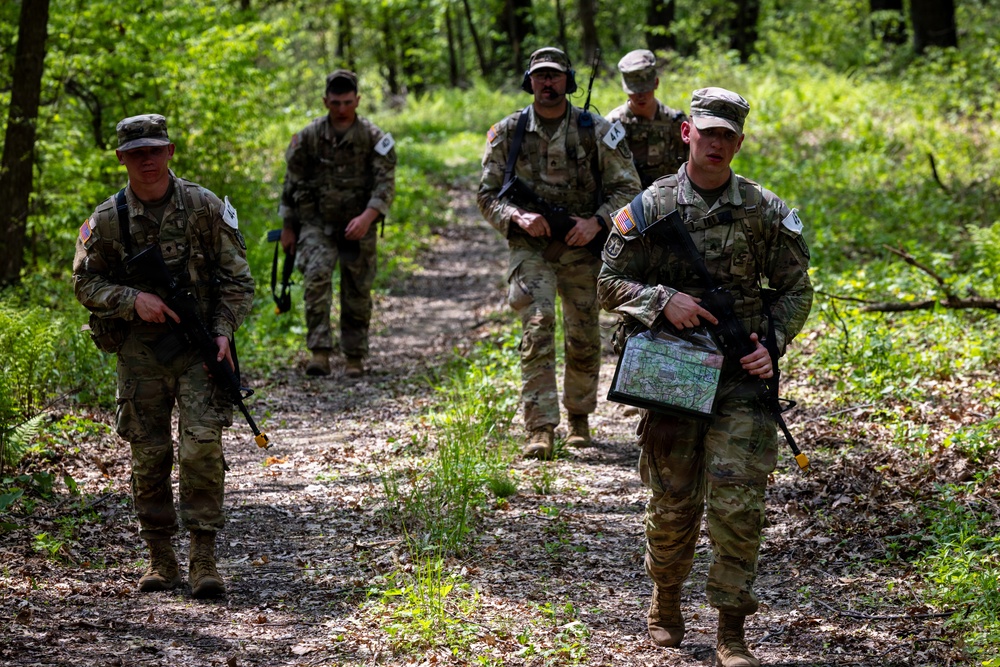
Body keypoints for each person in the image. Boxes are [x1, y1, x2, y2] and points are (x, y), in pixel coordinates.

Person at [598, 88, 813, 665]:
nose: (716, 144)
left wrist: (773, 342)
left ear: (738, 142)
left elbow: (796, 288)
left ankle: (730, 628)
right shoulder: (652, 207)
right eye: (707, 132)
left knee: (739, 503)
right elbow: (607, 283)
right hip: (672, 369)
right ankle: (665, 599)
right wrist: (661, 298)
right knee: (672, 499)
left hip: (741, 377)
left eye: (728, 136)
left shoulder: (764, 210)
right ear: (686, 133)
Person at [72, 114, 256, 598]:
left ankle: (203, 560)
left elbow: (239, 280)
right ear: (121, 159)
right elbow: (84, 282)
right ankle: (160, 559)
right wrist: (134, 301)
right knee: (149, 455)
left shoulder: (203, 207)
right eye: (137, 153)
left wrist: (220, 333)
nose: (147, 160)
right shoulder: (108, 220)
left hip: (198, 350)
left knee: (201, 449)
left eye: (155, 150)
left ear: (170, 151)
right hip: (139, 353)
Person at [478, 47, 641, 459]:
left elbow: (630, 190)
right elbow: (486, 194)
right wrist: (516, 215)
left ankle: (579, 419)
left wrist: (598, 222)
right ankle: (540, 426)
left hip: (581, 248)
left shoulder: (597, 130)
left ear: (567, 81)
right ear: (528, 81)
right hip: (530, 247)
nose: (546, 83)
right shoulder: (508, 132)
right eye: (539, 76)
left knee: (584, 333)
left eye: (554, 76)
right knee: (538, 322)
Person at [278, 69, 397, 378]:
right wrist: (289, 227)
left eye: (347, 102)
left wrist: (367, 217)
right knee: (316, 278)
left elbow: (385, 185)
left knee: (357, 288)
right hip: (316, 222)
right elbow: (292, 182)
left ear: (357, 100)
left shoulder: (375, 138)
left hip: (359, 223)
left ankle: (354, 355)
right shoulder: (308, 137)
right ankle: (319, 351)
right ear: (325, 102)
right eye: (335, 103)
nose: (342, 109)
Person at [605, 49, 688, 189]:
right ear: (625, 88)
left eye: (645, 89)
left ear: (656, 83)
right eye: (634, 90)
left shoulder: (675, 123)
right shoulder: (612, 125)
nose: (640, 96)